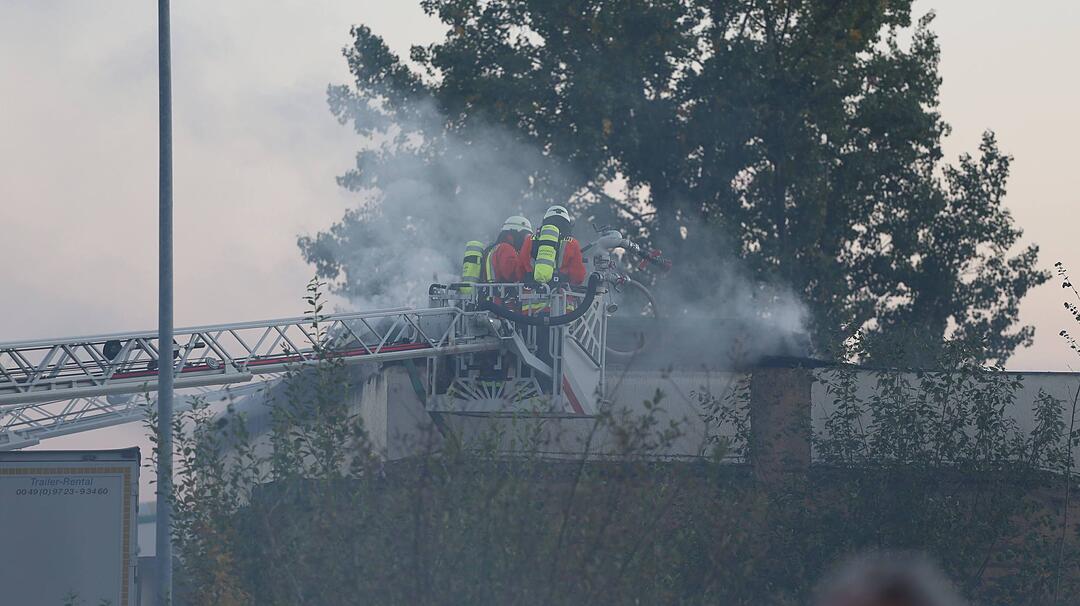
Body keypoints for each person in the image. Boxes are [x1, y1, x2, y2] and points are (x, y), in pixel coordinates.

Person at [459, 215, 533, 294]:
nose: (525, 241)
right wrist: (530, 270)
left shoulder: (493, 249)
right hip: (501, 299)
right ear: (515, 233)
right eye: (525, 236)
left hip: (491, 296)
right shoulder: (506, 248)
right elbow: (512, 274)